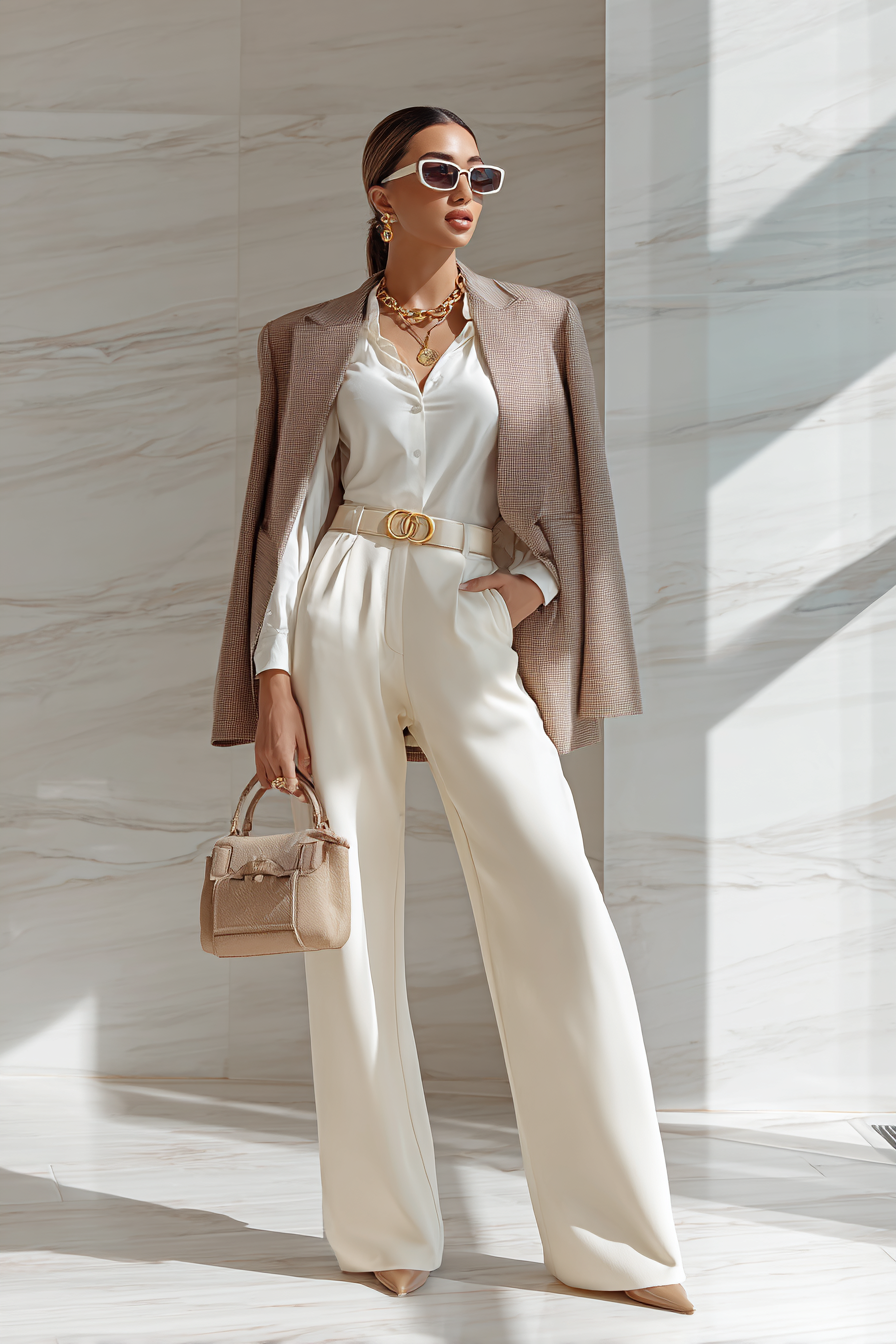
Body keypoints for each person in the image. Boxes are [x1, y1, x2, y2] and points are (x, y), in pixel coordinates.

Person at [212, 106, 693, 1315]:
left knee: (553, 895)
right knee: (351, 914)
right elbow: (288, 518)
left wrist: (525, 588)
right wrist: (273, 676)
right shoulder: (312, 336)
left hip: (472, 609)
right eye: (439, 172)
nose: (466, 189)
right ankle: (385, 1228)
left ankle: (618, 1245)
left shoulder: (537, 323)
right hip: (339, 603)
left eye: (479, 171)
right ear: (381, 196)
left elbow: (571, 499)